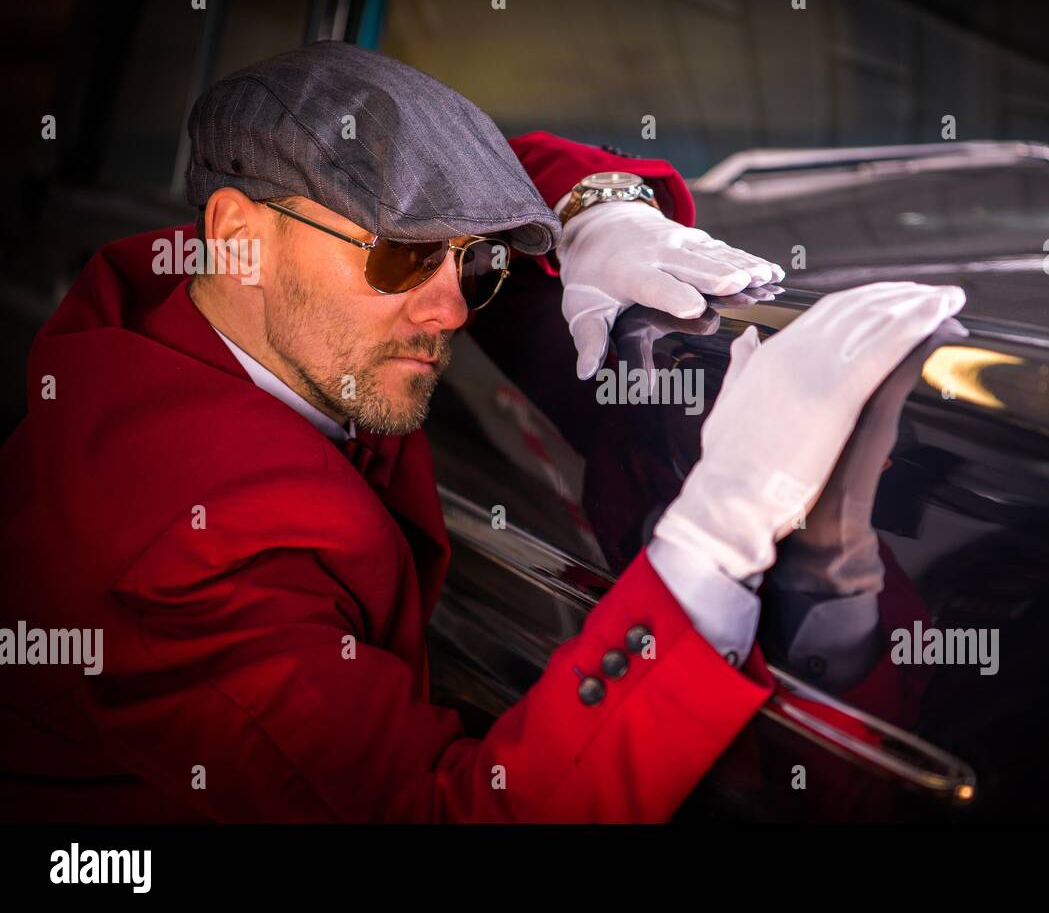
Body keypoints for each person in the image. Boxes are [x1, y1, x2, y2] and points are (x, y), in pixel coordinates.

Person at [0, 40, 964, 821]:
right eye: (401, 255)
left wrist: (600, 212)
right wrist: (717, 538)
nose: (453, 310)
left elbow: (477, 174)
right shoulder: (182, 559)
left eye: (477, 262)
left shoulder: (214, 296)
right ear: (238, 231)